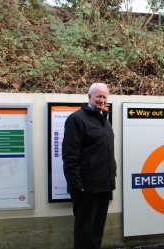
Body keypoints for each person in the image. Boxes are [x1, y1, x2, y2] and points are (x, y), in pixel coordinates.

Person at [62, 83, 117, 249]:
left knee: (97, 230)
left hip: (103, 184)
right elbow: (70, 155)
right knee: (85, 231)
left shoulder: (105, 120)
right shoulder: (77, 119)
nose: (101, 100)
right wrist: (76, 185)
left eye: (104, 97)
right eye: (98, 96)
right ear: (89, 97)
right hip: (86, 187)